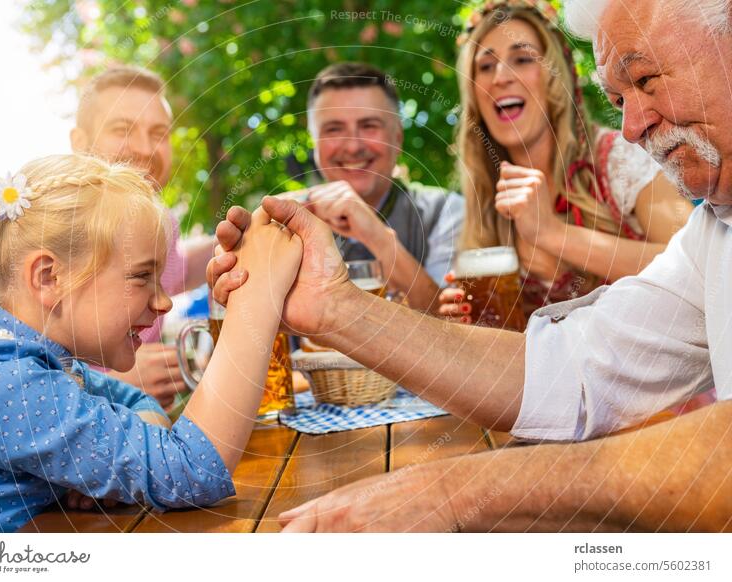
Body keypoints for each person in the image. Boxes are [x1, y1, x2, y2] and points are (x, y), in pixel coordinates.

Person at [207, 0, 732, 531]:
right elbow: (575, 368)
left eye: (645, 79)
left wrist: (455, 491)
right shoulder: (716, 226)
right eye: (617, 98)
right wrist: (333, 308)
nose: (632, 129)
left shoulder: (616, 168)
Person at [0, 154, 301, 532]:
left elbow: (134, 401)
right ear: (48, 277)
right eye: (142, 276)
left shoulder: (19, 351)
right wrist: (257, 296)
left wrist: (107, 464)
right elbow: (191, 470)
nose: (164, 302)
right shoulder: (5, 383)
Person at [439, 0, 693, 323]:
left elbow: (696, 266)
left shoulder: (617, 157)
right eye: (485, 66)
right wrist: (473, 323)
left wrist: (552, 233)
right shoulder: (484, 196)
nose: (501, 76)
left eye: (522, 58)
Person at [70, 66, 214, 407]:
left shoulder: (158, 225)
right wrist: (112, 383)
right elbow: (2, 368)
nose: (145, 148)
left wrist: (253, 229)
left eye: (158, 133)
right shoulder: (57, 230)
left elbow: (180, 268)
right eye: (123, 129)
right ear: (79, 143)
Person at [301, 62, 464, 311]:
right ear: (315, 143)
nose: (353, 146)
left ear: (397, 138)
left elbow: (450, 325)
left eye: (369, 126)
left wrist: (374, 234)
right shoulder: (290, 221)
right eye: (334, 129)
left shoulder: (446, 211)